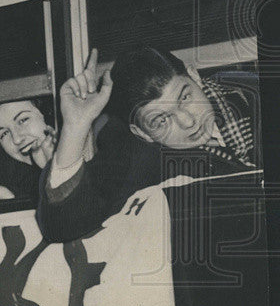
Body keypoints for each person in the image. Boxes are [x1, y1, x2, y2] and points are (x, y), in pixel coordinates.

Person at [38, 47, 259, 243]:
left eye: (184, 98)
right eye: (161, 120)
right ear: (142, 132)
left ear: (193, 75)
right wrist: (76, 126)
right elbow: (61, 226)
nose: (188, 122)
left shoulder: (253, 92)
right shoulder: (139, 158)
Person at [0, 99, 57, 199]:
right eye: (4, 133)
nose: (16, 139)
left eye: (23, 120)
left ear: (47, 116)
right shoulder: (17, 178)